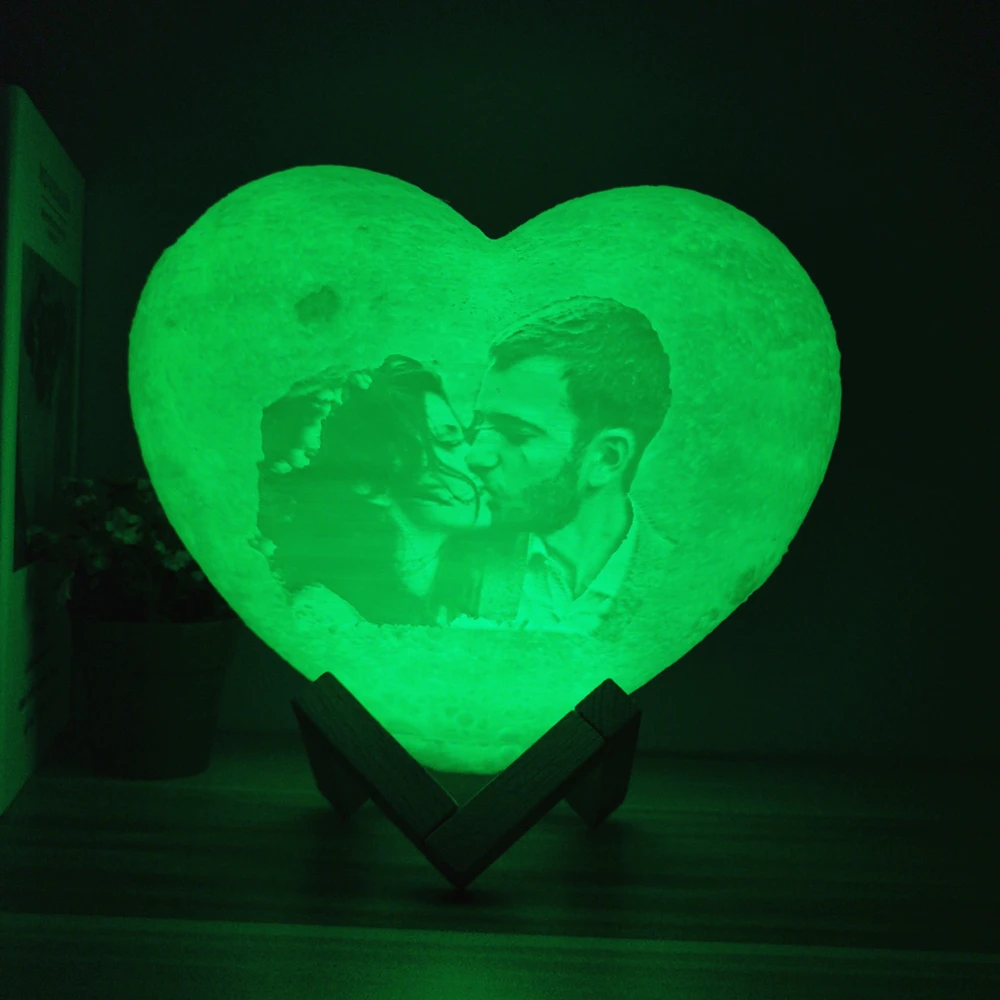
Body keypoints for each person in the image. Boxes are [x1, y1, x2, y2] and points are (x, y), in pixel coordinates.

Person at [447, 296, 677, 640]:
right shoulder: (449, 566)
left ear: (607, 457)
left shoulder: (684, 585)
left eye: (516, 434)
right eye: (479, 426)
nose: (476, 456)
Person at [257, 354, 490, 626]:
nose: (476, 458)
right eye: (448, 440)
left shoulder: (472, 583)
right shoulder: (324, 614)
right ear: (370, 484)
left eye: (464, 437)